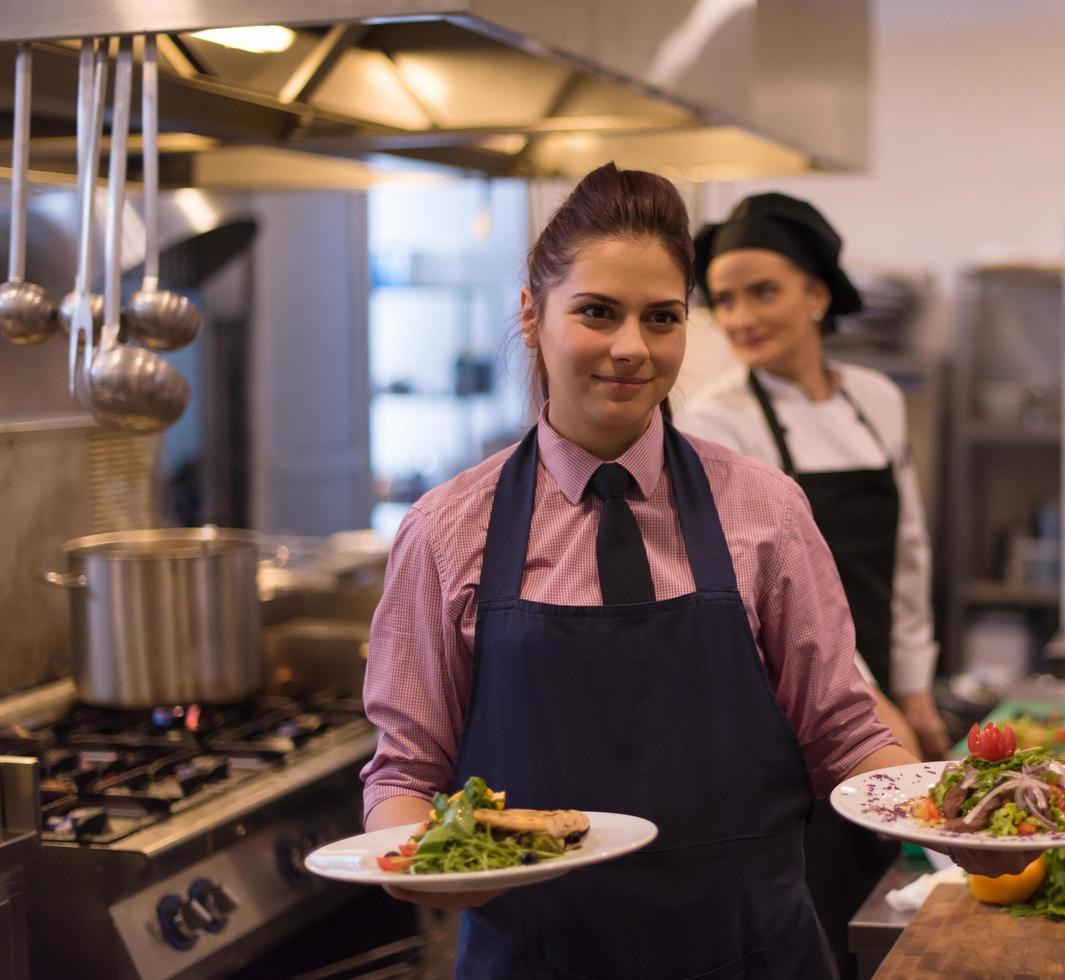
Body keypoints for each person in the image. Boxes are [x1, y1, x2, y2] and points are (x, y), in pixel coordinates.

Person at [360, 163, 1031, 980]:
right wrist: (414, 862)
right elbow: (406, 770)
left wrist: (960, 823)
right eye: (597, 313)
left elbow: (845, 733)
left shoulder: (764, 510)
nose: (632, 348)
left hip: (751, 951)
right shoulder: (445, 533)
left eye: (662, 318)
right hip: (534, 958)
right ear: (532, 315)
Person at [677, 193, 947, 976]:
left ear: (818, 295)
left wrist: (917, 686)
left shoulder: (877, 400)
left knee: (900, 890)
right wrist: (871, 702)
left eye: (762, 291)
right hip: (785, 706)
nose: (738, 316)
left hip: (883, 685)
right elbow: (771, 602)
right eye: (723, 299)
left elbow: (909, 551)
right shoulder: (719, 421)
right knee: (819, 898)